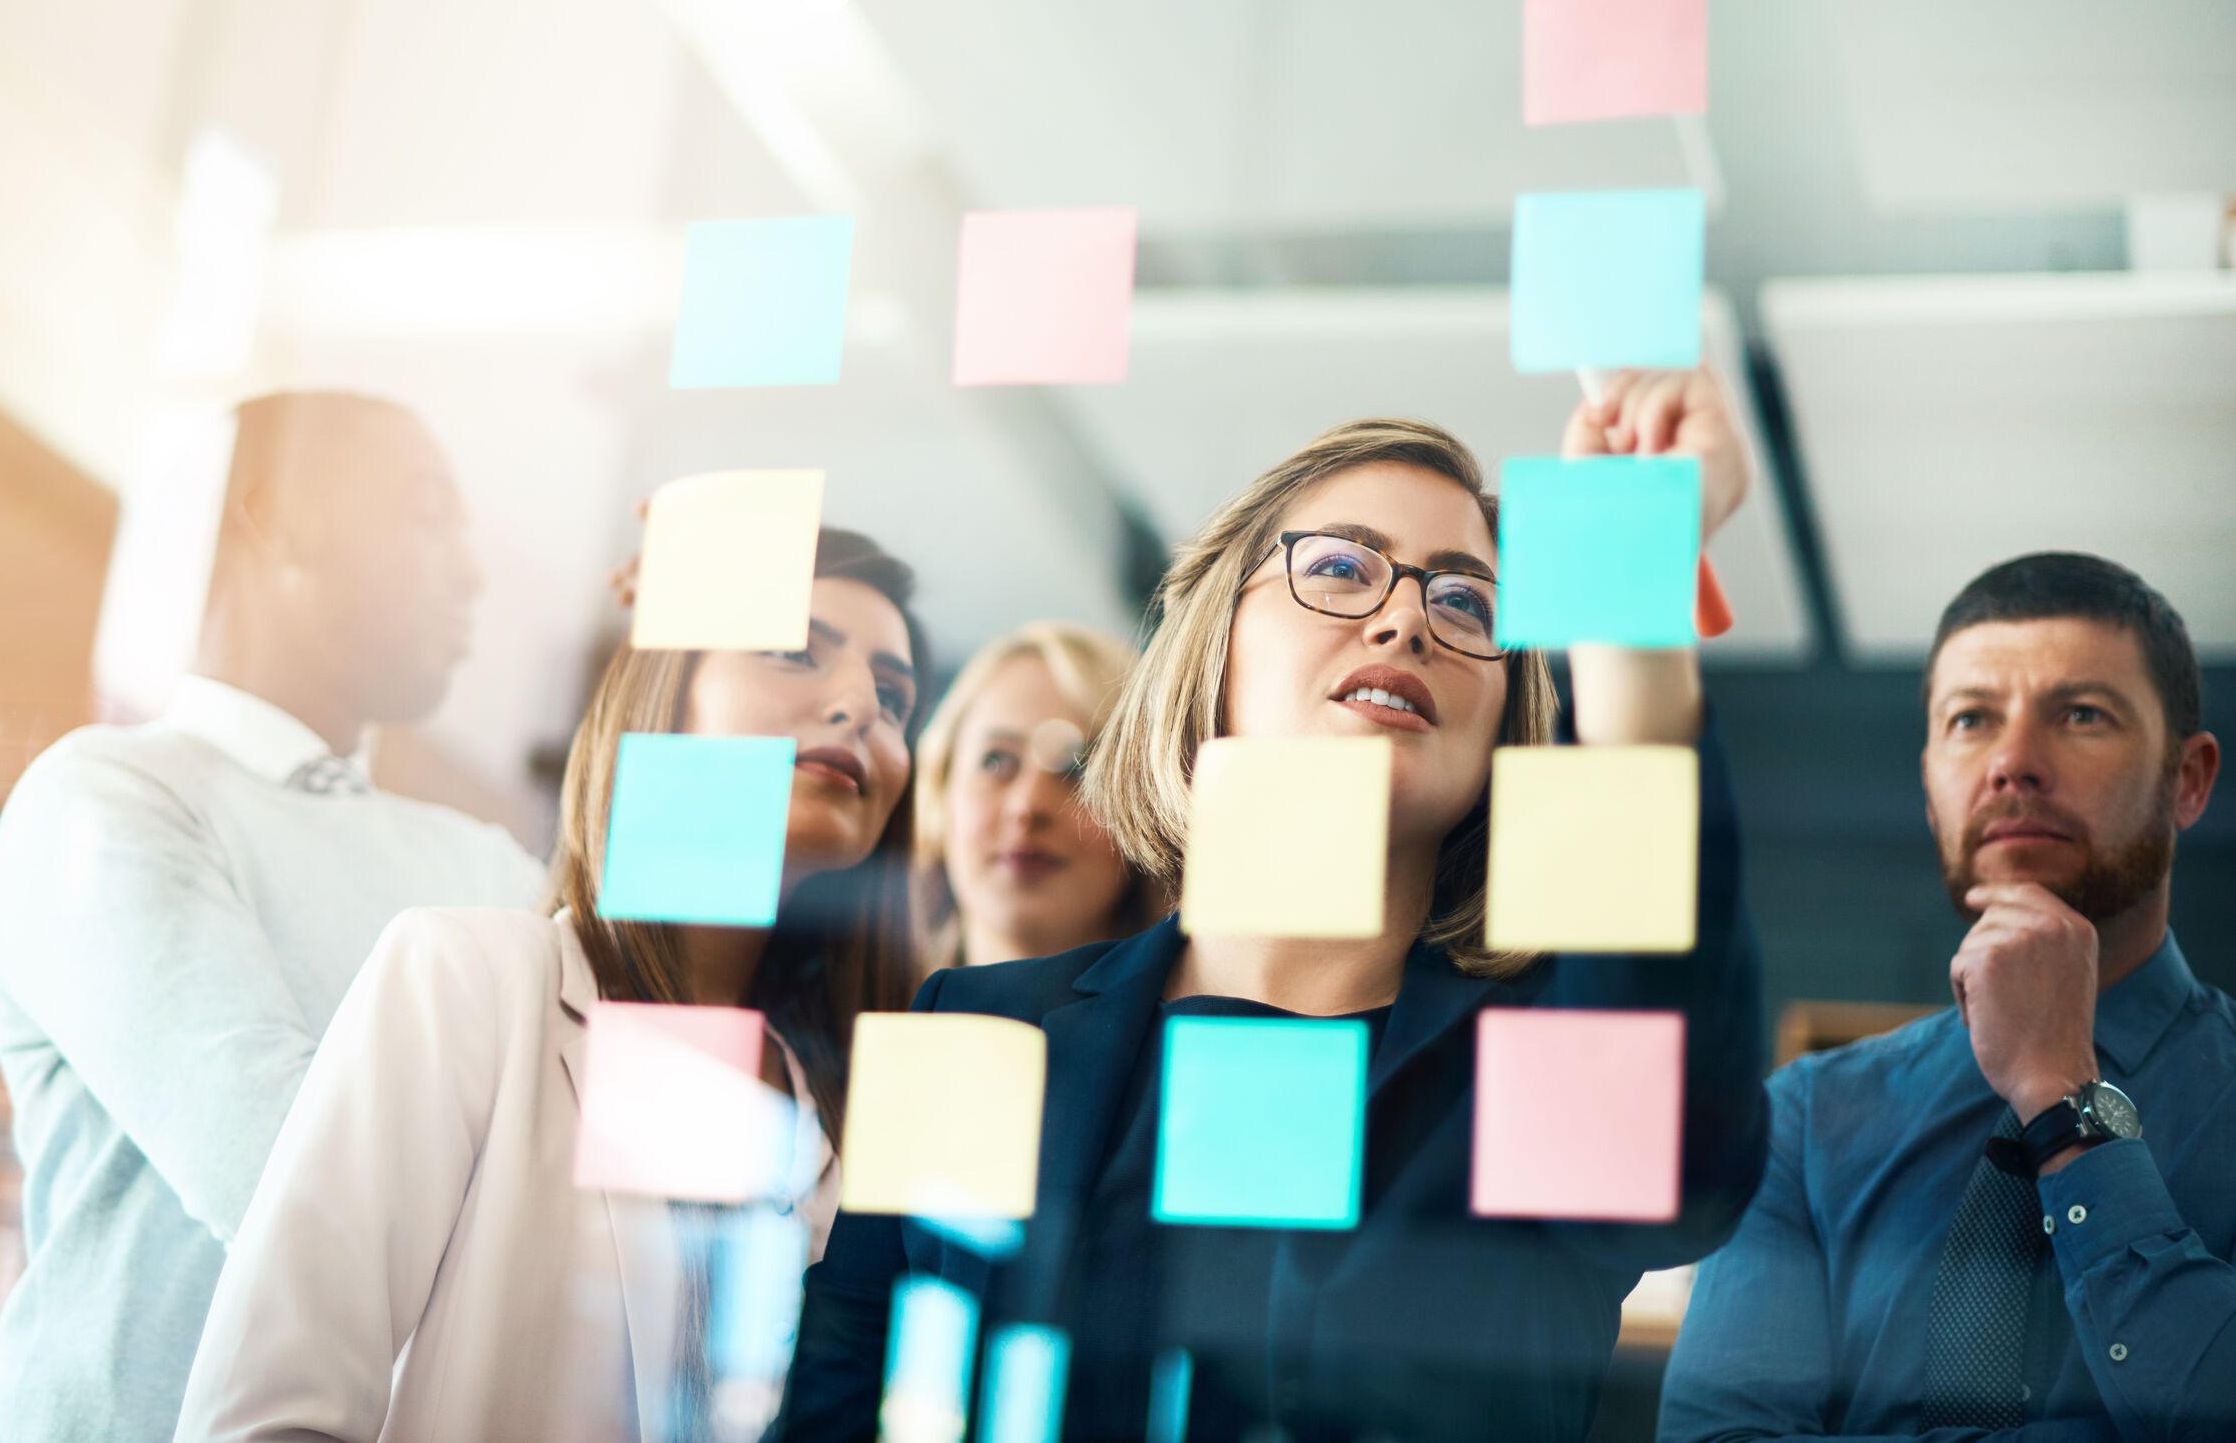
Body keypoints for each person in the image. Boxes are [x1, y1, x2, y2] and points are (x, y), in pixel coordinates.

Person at [776, 371, 1772, 1443]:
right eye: (1342, 567)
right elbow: (839, 1411)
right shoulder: (977, 1030)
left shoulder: (1530, 1062)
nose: (1404, 618)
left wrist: (1631, 582)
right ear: (1216, 643)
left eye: (1465, 600)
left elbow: (1682, 1167)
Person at [173, 528, 933, 1442]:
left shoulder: (851, 1118)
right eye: (793, 650)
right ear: (666, 696)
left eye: (893, 697)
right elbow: (269, 1412)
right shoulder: (469, 984)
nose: (859, 705)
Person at [0, 392, 544, 1443]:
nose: (472, 571)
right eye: (428, 513)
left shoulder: (481, 863)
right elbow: (295, 1187)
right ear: (276, 519)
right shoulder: (105, 800)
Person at [1660, 552, 2232, 1443]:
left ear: (2187, 781)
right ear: (1929, 788)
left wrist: (2059, 1096)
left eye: (2080, 715)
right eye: (1971, 719)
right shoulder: (1805, 1119)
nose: (2011, 763)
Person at [911, 620, 1162, 971]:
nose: (1027, 807)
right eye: (996, 761)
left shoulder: (1201, 1023)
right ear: (940, 793)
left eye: (1080, 768)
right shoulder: (853, 1011)